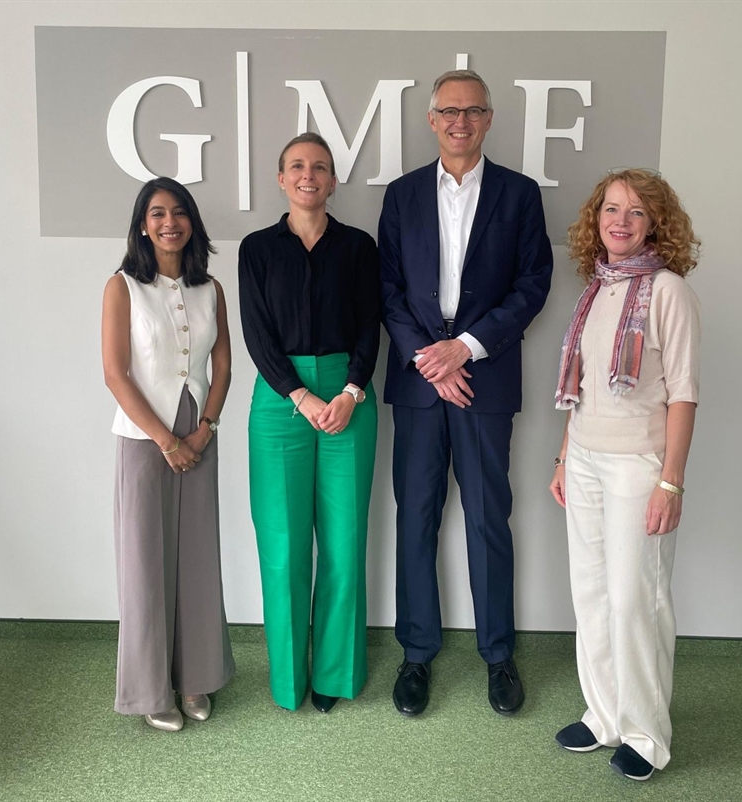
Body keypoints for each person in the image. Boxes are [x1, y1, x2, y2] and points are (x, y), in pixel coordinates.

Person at [379, 70, 553, 717]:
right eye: (449, 111)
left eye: (473, 111)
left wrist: (468, 347)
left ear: (487, 118)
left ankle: (498, 653)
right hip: (421, 386)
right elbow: (388, 292)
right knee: (415, 518)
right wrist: (432, 360)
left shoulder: (519, 194)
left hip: (485, 379)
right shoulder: (400, 197)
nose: (460, 121)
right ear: (431, 120)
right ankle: (416, 654)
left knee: (487, 521)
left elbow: (533, 284)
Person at [549, 169, 701, 780]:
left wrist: (671, 481)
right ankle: (605, 714)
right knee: (591, 594)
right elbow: (580, 389)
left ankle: (645, 733)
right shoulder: (596, 288)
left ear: (655, 224)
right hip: (584, 458)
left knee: (636, 599)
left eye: (636, 212)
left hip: (640, 466)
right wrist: (563, 457)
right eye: (611, 209)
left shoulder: (668, 291)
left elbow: (685, 395)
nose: (620, 220)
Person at [238, 132, 380, 713]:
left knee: (344, 544)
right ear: (280, 178)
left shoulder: (359, 246)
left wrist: (350, 391)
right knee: (284, 545)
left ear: (333, 180)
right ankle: (287, 678)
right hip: (279, 400)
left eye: (319, 167)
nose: (308, 175)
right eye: (297, 166)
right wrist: (300, 395)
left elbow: (373, 324)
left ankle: (334, 674)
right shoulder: (256, 248)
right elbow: (255, 332)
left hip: (349, 395)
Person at [102, 177, 235, 732]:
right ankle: (150, 688)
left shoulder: (212, 289)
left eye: (179, 212)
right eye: (157, 213)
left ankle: (196, 677)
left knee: (198, 559)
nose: (169, 222)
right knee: (145, 564)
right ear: (142, 224)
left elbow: (224, 365)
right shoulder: (122, 286)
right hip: (143, 437)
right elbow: (115, 373)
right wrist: (166, 440)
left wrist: (204, 429)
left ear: (192, 223)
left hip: (199, 431)